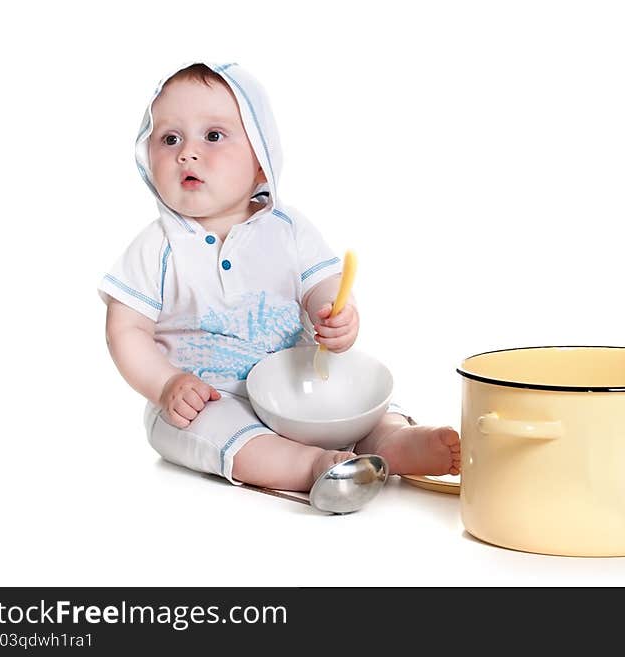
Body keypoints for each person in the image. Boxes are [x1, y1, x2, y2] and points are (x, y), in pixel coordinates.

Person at [99, 62, 460, 492]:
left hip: (296, 387)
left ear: (260, 160)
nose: (186, 153)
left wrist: (336, 314)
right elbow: (126, 329)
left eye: (213, 136)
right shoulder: (159, 244)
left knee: (357, 405)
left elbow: (324, 285)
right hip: (207, 397)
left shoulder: (287, 228)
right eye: (169, 139)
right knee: (224, 435)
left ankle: (394, 441)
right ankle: (309, 467)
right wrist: (167, 385)